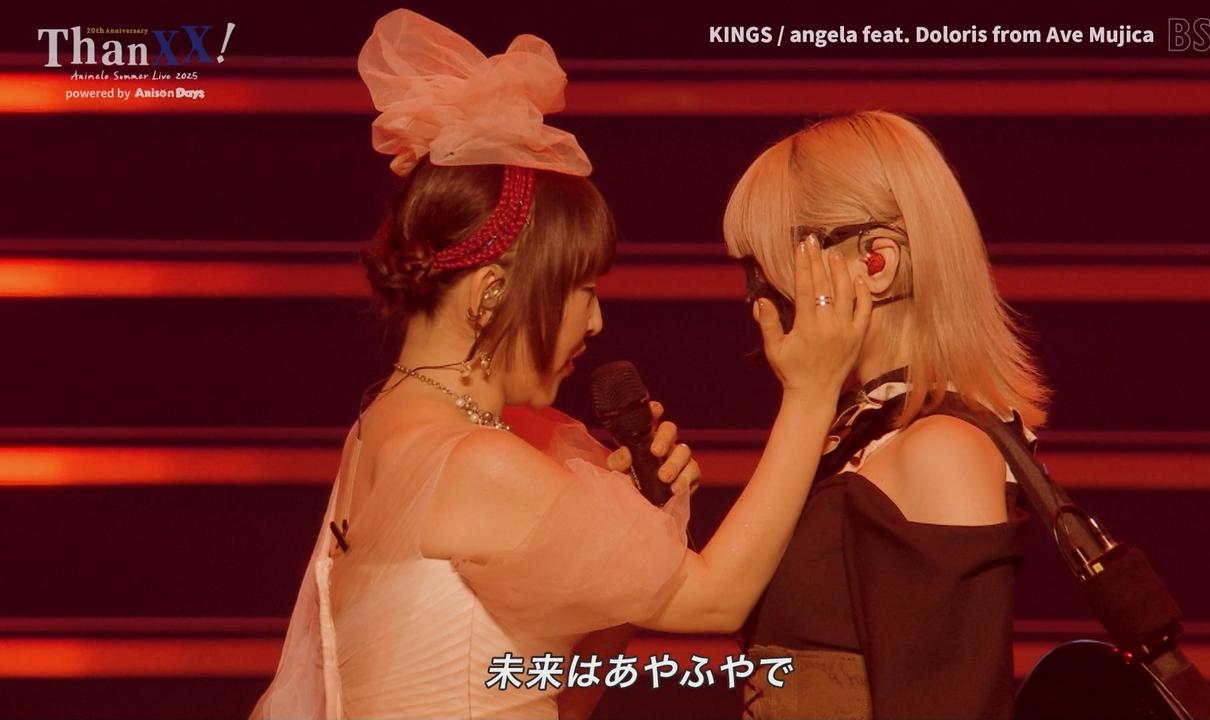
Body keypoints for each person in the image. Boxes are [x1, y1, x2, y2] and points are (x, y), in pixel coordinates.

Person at [251, 10, 871, 719]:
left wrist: (622, 556)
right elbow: (715, 600)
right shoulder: (474, 461)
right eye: (581, 290)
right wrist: (811, 391)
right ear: (491, 294)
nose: (596, 321)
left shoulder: (378, 430)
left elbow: (542, 695)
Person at [724, 111, 1052, 719]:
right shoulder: (859, 435)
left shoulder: (941, 450)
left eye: (766, 266)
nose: (755, 296)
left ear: (876, 262)